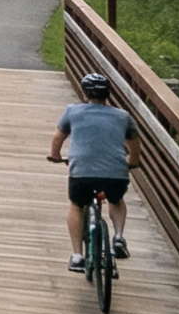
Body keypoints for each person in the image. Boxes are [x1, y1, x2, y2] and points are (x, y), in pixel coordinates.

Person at [50, 71, 136, 270]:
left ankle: (78, 256)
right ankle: (119, 237)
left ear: (84, 93)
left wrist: (55, 156)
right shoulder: (123, 116)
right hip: (115, 172)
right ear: (108, 94)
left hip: (82, 171)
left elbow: (57, 138)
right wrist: (133, 161)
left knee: (77, 205)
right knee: (115, 199)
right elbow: (134, 144)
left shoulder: (72, 111)